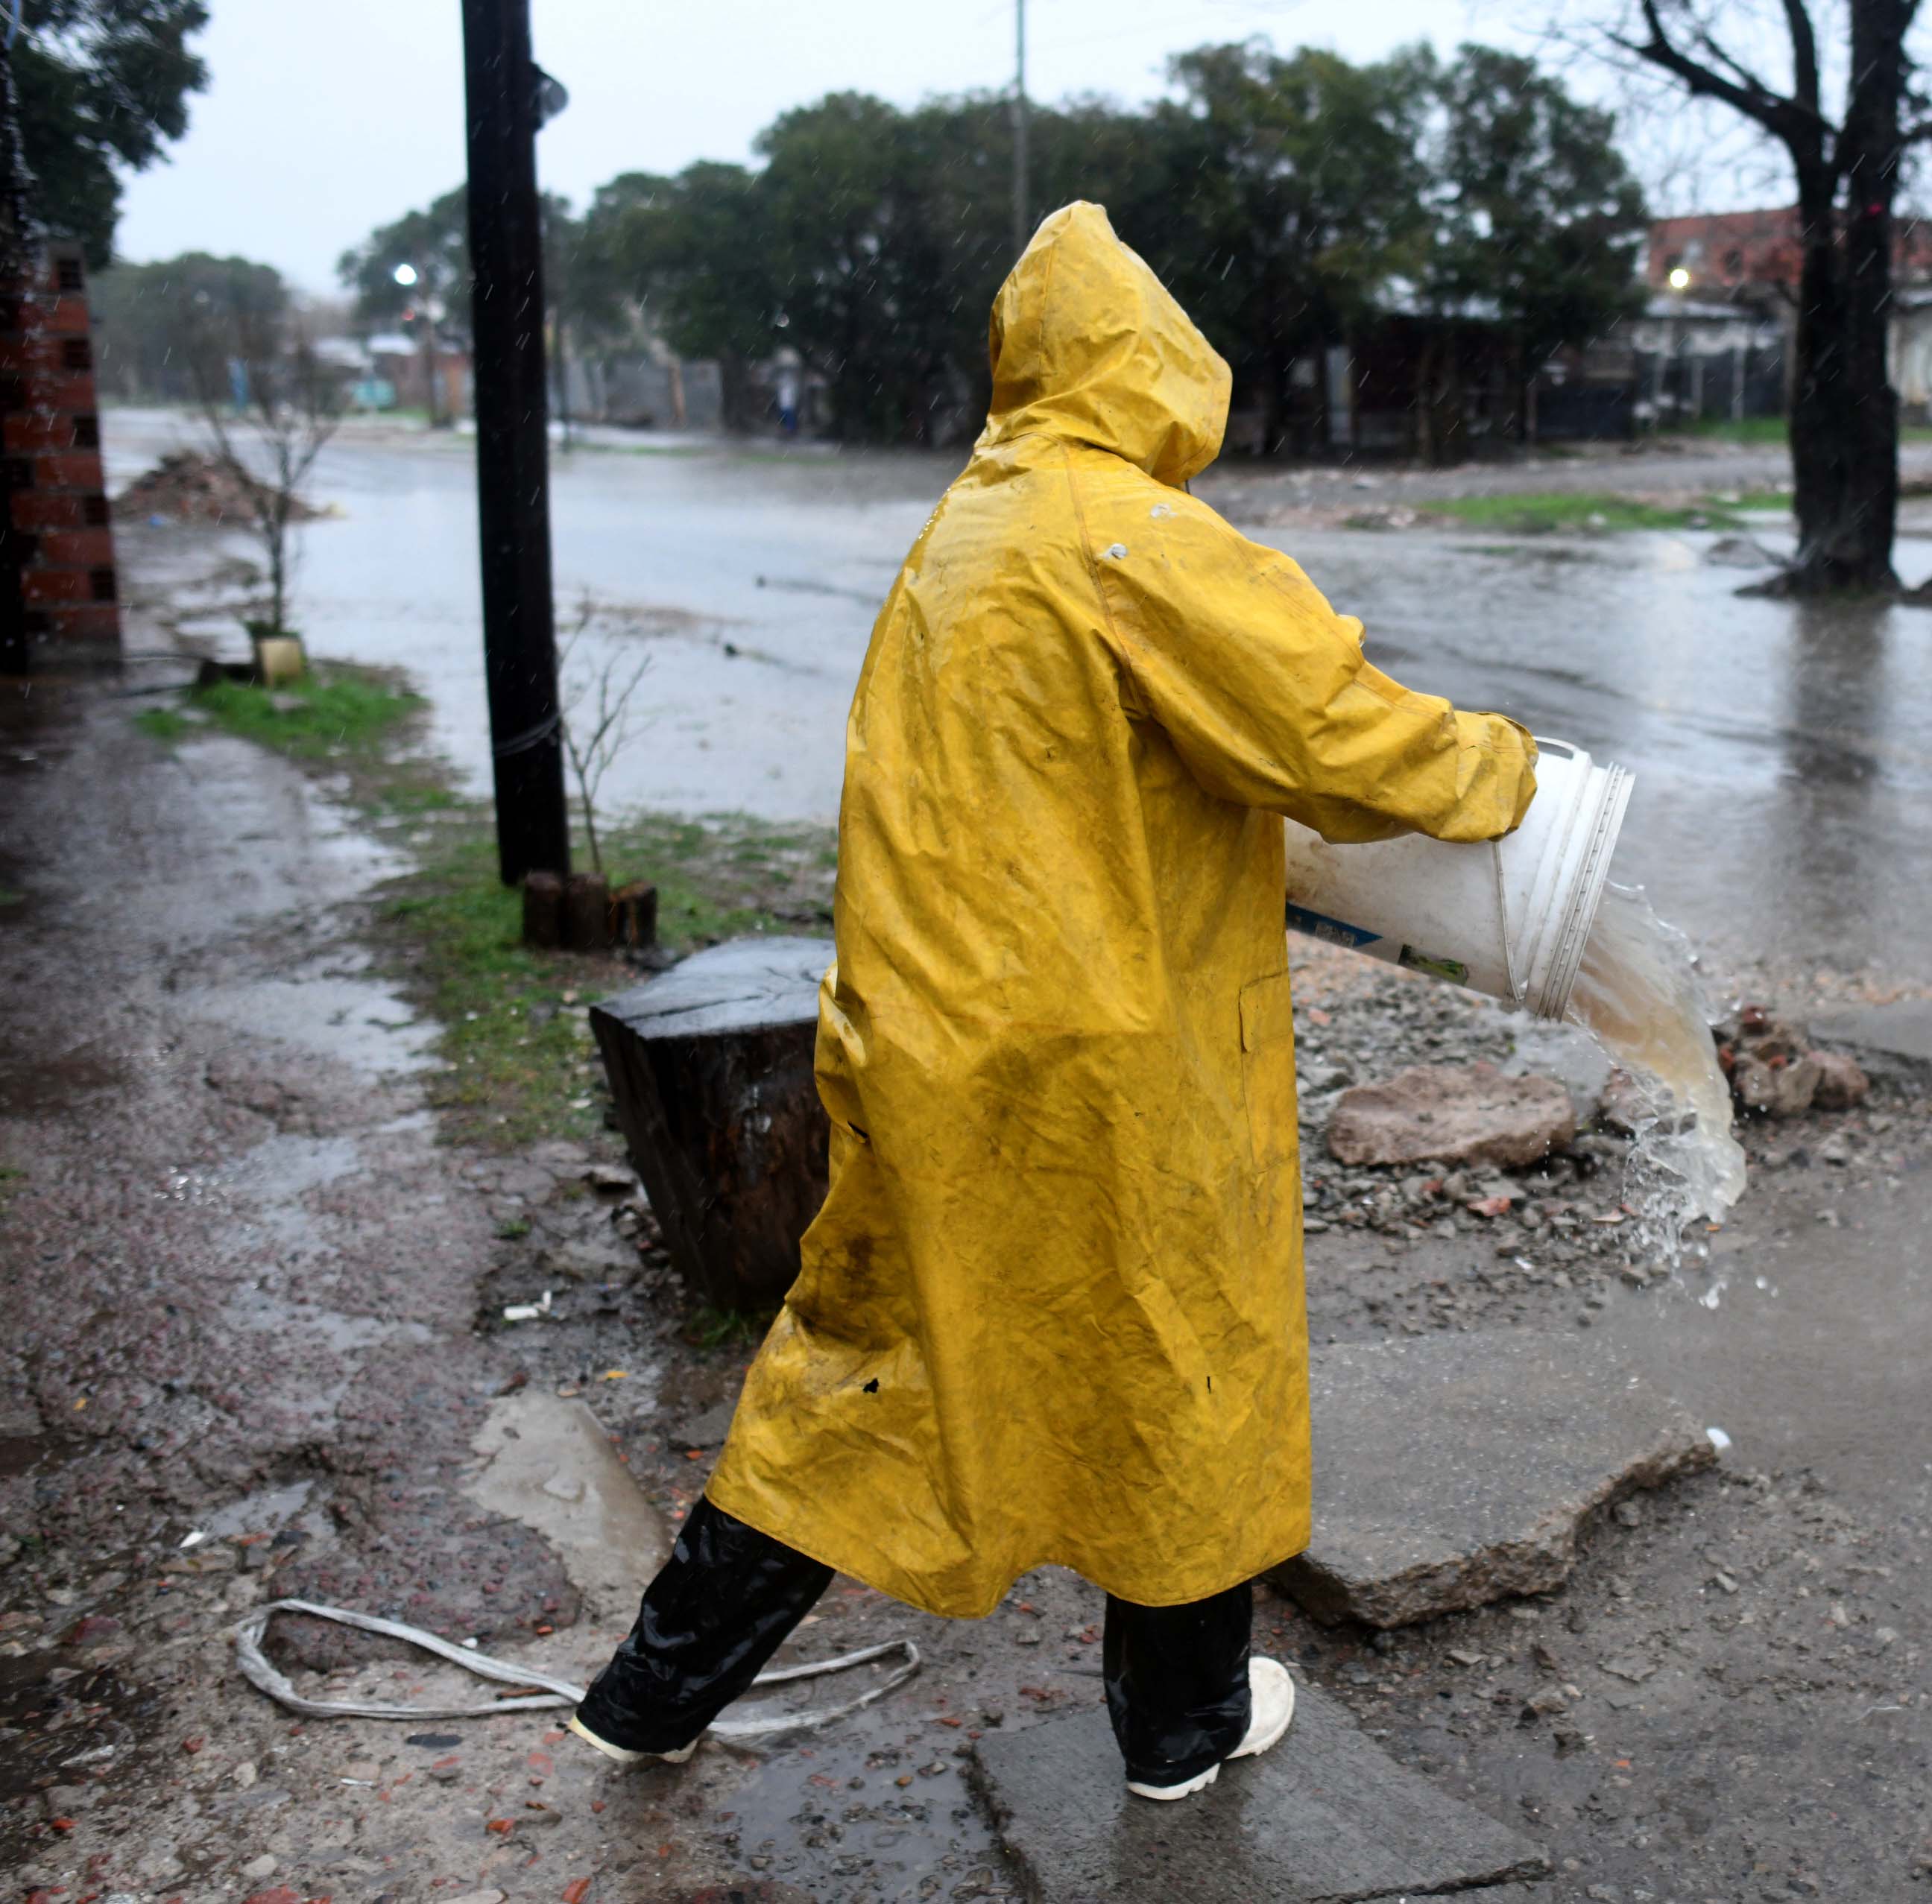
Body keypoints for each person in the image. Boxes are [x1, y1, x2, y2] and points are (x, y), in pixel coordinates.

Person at [569, 203, 1539, 1801]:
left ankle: (649, 1695)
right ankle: (1184, 1725)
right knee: (1176, 1363)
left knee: (865, 1374)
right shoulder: (1128, 536)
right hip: (1115, 1059)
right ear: (1153, 358)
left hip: (930, 1042)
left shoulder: (962, 531)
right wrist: (1510, 774)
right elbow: (1333, 731)